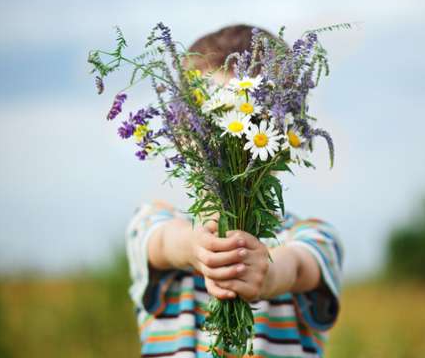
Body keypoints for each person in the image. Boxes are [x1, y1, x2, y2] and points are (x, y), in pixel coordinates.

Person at [126, 24, 343, 358]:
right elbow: (160, 242)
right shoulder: (155, 222)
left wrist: (268, 275)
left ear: (283, 129)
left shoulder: (312, 236)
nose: (229, 138)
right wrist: (194, 248)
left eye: (250, 119)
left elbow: (298, 266)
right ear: (181, 132)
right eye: (208, 119)